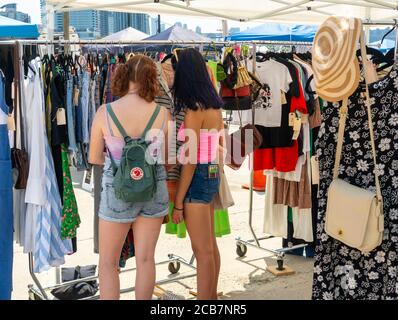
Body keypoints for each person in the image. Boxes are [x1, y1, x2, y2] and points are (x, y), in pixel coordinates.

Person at [89, 55, 171, 300]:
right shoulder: (163, 114)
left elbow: (94, 157)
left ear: (123, 75)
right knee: (146, 259)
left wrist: (119, 158)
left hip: (118, 191)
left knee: (108, 264)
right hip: (153, 189)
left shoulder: (105, 112)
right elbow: (166, 157)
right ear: (151, 79)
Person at [171, 48, 224, 300]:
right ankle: (210, 297)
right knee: (209, 247)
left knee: (202, 251)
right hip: (211, 171)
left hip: (199, 174)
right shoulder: (214, 104)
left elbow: (190, 160)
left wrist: (179, 202)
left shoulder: (195, 110)